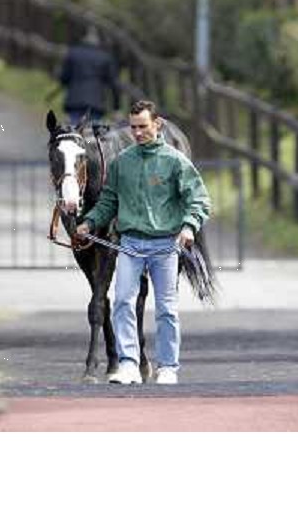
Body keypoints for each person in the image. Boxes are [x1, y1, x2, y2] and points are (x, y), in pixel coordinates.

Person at [75, 100, 211, 384]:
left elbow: (199, 200)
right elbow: (108, 202)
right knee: (123, 303)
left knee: (166, 309)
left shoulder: (175, 161)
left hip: (165, 246)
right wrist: (89, 221)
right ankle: (128, 364)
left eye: (143, 127)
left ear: (157, 124)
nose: (137, 133)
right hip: (130, 245)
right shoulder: (122, 163)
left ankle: (168, 367)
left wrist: (188, 227)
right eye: (133, 127)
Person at [56, 26, 121, 125]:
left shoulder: (73, 53)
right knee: (92, 135)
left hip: (74, 101)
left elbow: (63, 78)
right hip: (96, 104)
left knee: (73, 133)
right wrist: (116, 107)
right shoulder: (105, 58)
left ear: (84, 40)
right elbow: (114, 84)